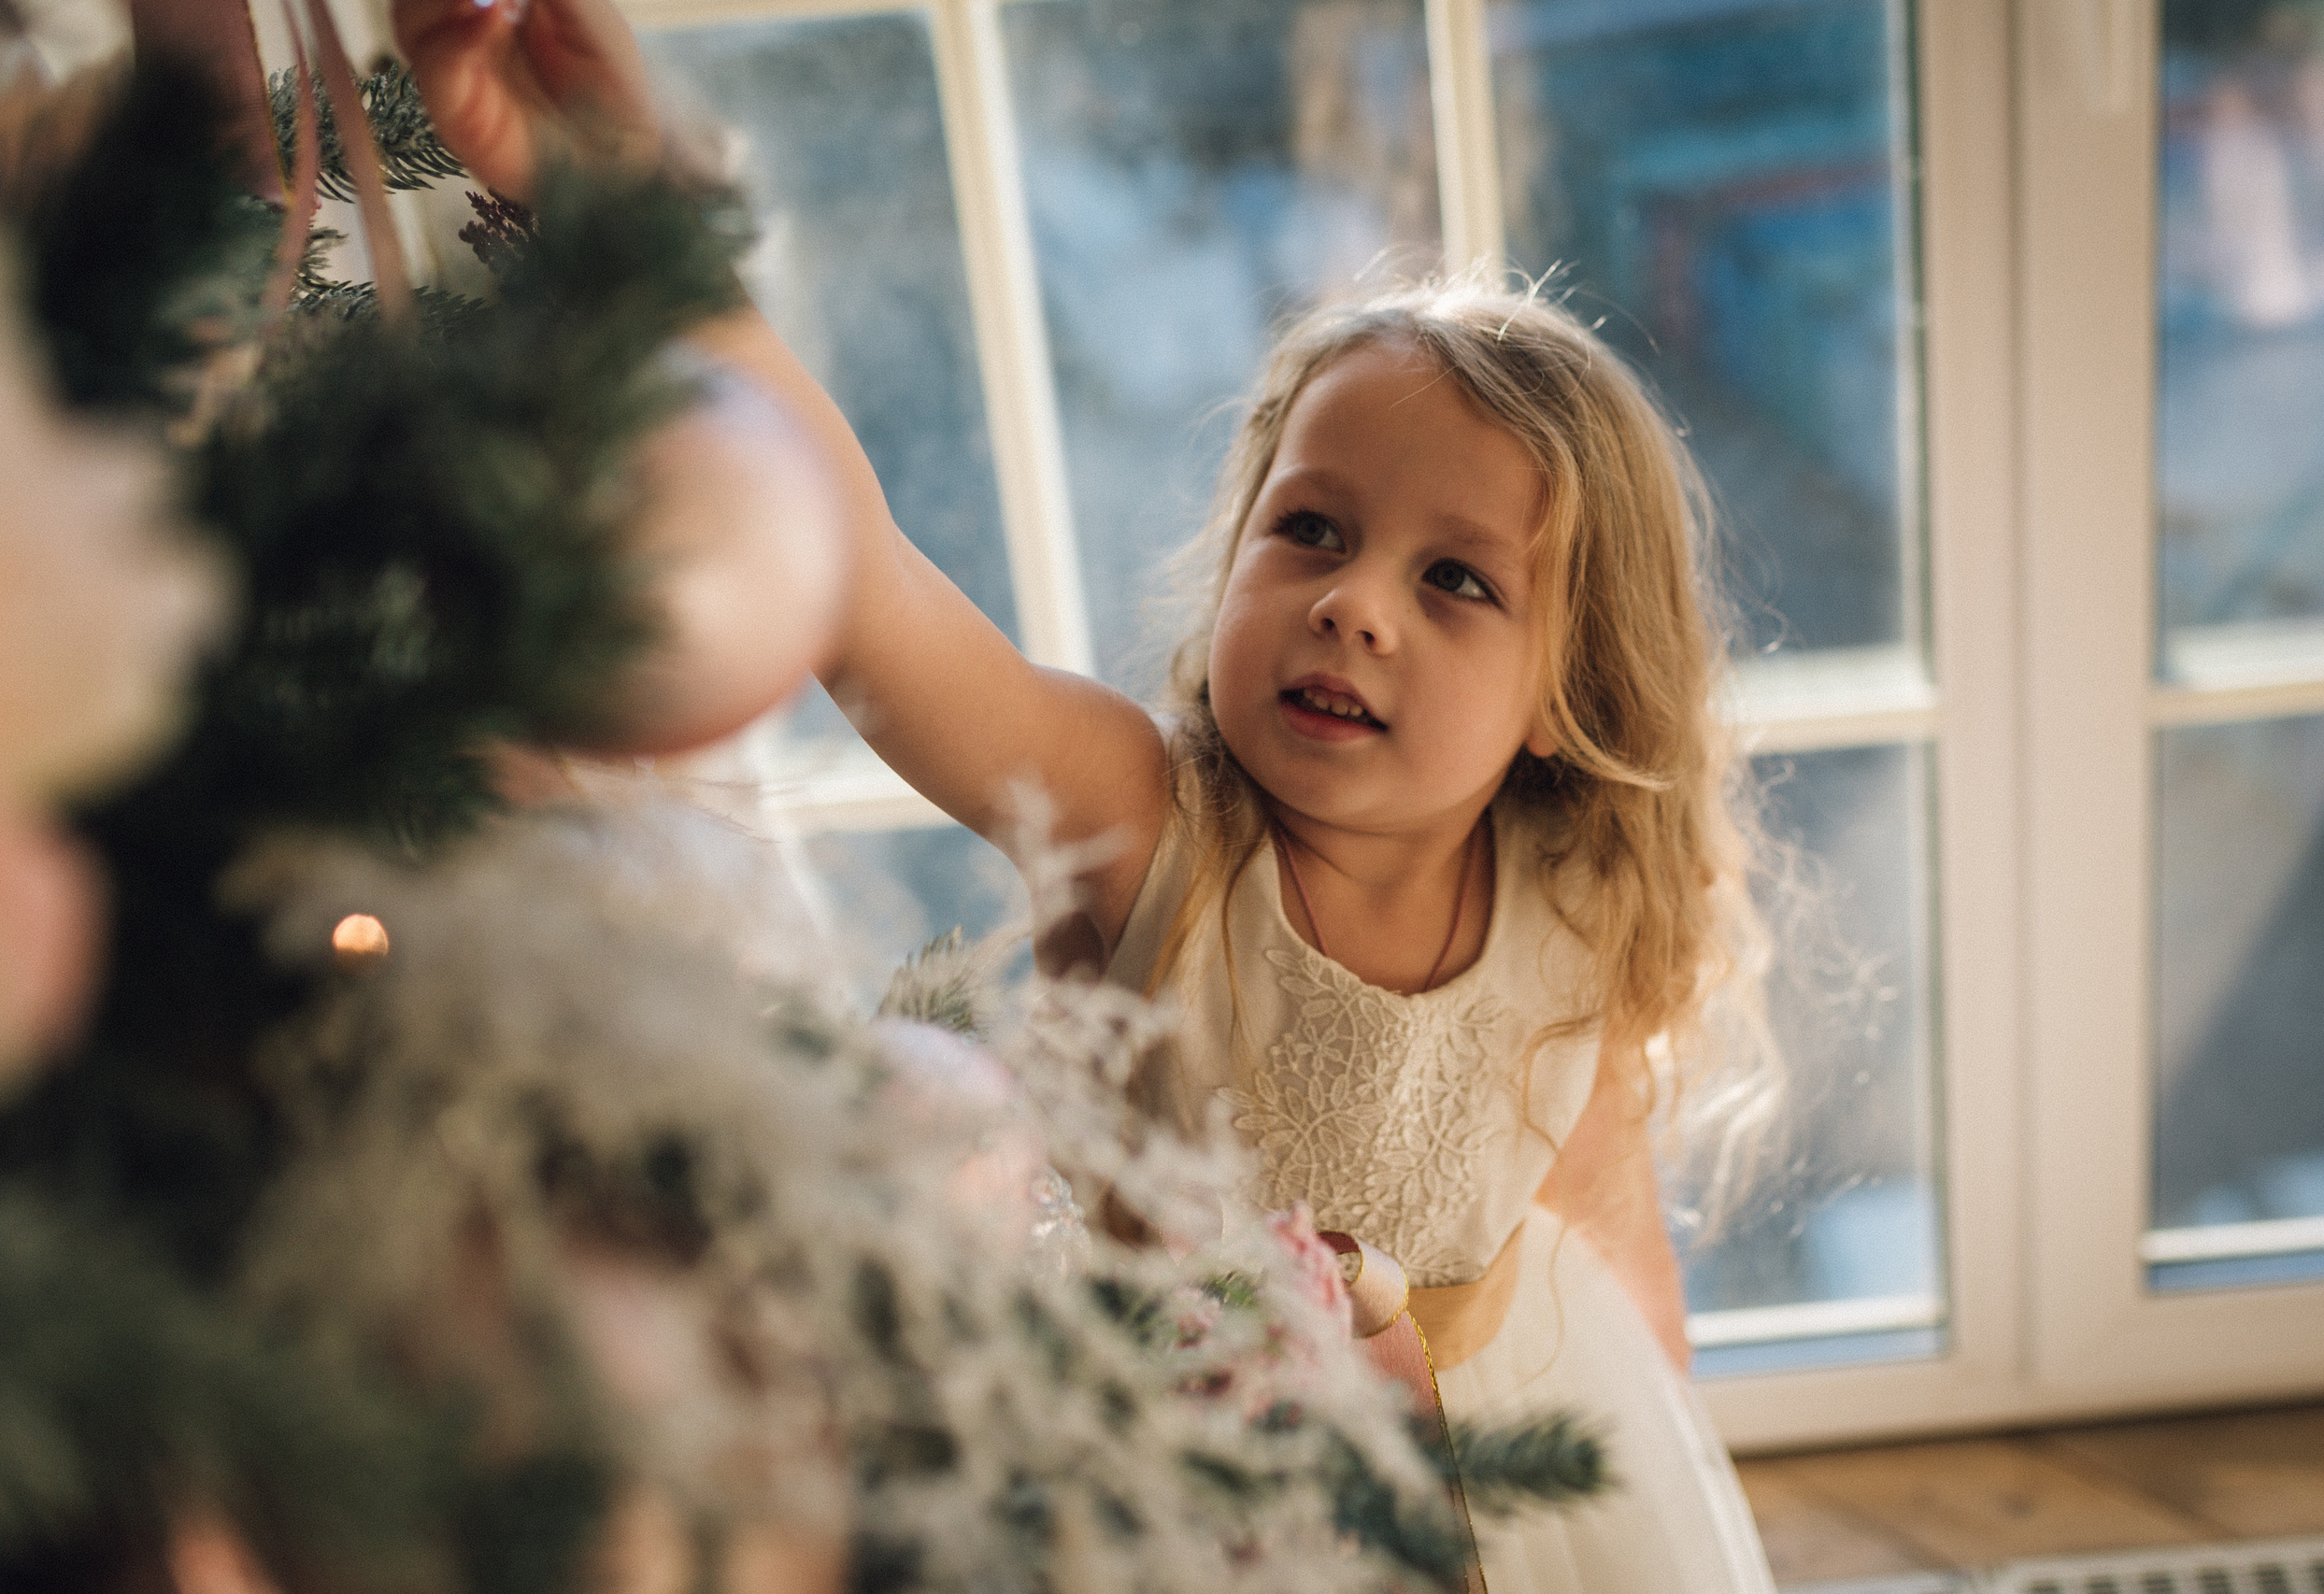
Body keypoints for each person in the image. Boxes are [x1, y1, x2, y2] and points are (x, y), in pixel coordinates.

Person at [395, 1, 1776, 1587]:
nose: (1354, 605)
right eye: (1313, 530)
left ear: (1566, 697)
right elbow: (866, 589)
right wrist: (632, 214)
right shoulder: (1145, 825)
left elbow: (1618, 1256)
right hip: (1169, 1507)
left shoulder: (1572, 911)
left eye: (1454, 577)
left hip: (1497, 1523)